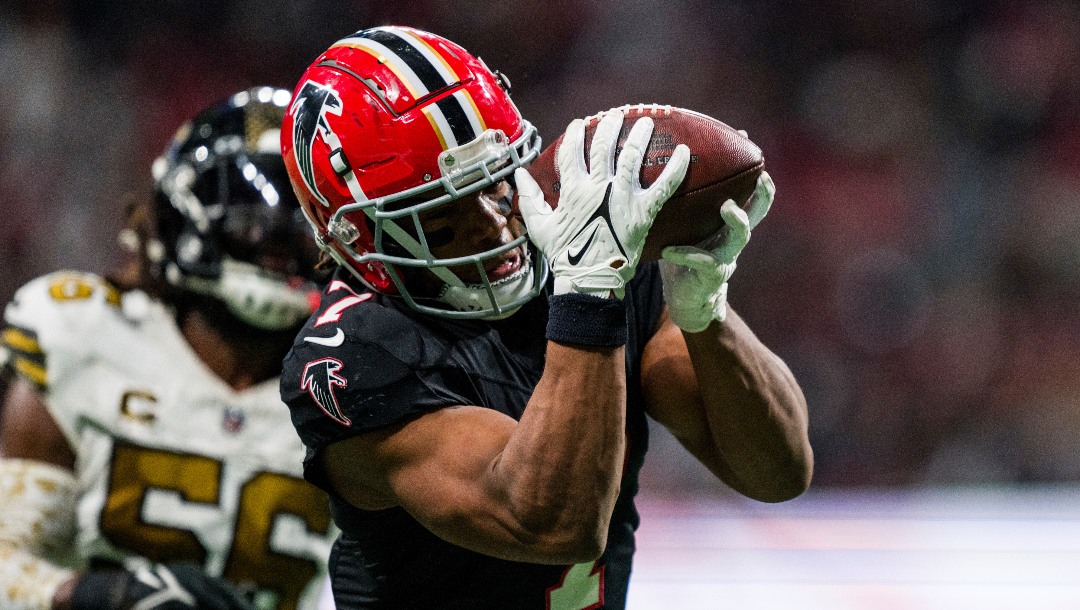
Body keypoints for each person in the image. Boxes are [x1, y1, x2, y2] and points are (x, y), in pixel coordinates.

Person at [278, 25, 813, 609]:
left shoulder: (583, 250)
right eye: (441, 218)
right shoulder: (349, 354)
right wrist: (587, 296)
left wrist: (707, 313)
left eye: (494, 183)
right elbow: (550, 525)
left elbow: (778, 471)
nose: (494, 224)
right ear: (354, 235)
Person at [0, 87, 338, 610]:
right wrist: (98, 596)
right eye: (251, 217)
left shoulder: (351, 380)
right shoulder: (84, 337)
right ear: (184, 214)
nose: (277, 242)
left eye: (304, 224)